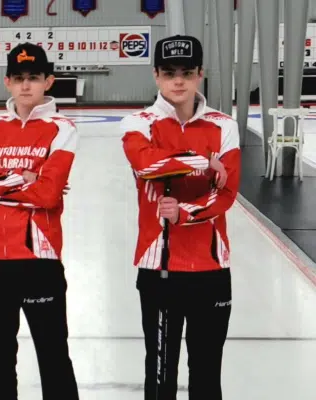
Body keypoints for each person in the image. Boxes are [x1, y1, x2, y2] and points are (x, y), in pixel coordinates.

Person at [0, 42, 79, 399]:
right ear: (7, 82)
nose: (27, 85)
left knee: (54, 359)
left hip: (39, 261)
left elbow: (48, 194)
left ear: (48, 81)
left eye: (34, 78)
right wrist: (23, 177)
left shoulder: (62, 128)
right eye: (19, 78)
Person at [120, 34, 240, 400]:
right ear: (156, 75)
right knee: (160, 376)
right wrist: (204, 162)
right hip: (159, 268)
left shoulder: (224, 125)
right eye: (169, 72)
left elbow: (228, 191)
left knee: (206, 374)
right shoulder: (137, 123)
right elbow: (147, 163)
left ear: (200, 74)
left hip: (212, 268)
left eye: (187, 72)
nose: (178, 81)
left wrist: (185, 212)